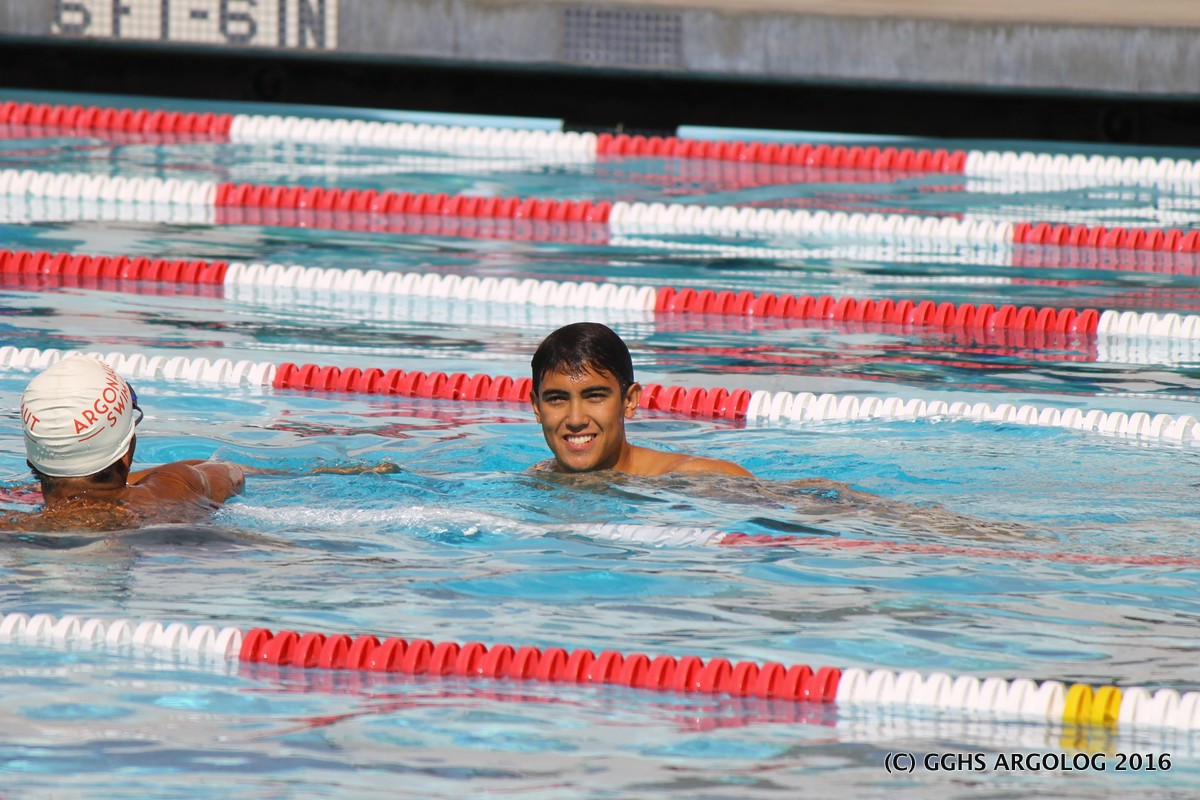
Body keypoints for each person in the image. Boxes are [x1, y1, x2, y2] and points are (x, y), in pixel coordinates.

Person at [7, 355, 246, 532]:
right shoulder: (173, 490)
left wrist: (67, 482)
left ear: (32, 458)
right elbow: (229, 471)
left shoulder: (15, 525)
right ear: (126, 453)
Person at [529, 322, 753, 477]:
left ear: (629, 401)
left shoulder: (695, 477)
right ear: (537, 408)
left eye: (595, 396)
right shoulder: (536, 481)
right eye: (557, 399)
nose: (576, 419)